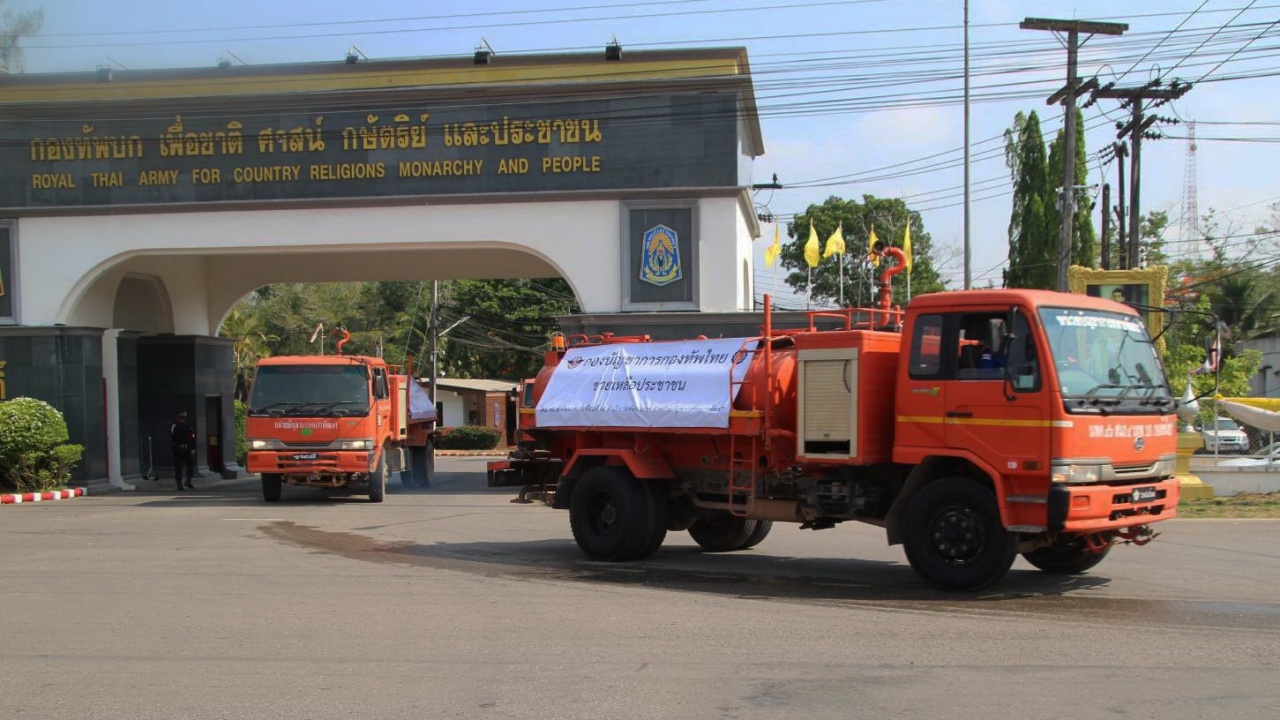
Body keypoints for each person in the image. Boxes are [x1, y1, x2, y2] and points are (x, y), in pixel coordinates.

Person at [170, 410, 196, 491]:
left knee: (178, 467)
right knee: (190, 466)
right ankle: (188, 480)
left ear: (178, 418)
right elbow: (192, 438)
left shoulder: (174, 427)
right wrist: (193, 448)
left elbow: (172, 438)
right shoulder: (189, 427)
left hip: (177, 449)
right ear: (185, 418)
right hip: (187, 449)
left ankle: (179, 484)